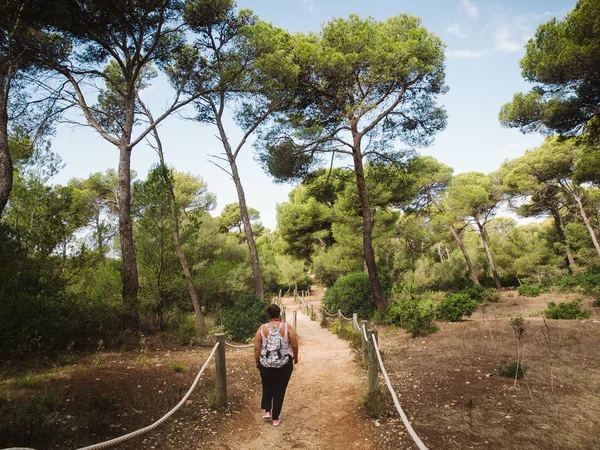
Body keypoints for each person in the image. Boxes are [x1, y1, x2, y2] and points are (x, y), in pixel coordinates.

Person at [254, 303, 298, 426]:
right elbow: (294, 344)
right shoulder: (287, 327)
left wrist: (258, 362)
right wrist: (296, 357)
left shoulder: (262, 328)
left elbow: (257, 348)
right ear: (279, 313)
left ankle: (267, 410)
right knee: (279, 388)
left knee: (267, 385)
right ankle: (275, 418)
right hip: (284, 363)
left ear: (268, 315)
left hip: (266, 363)